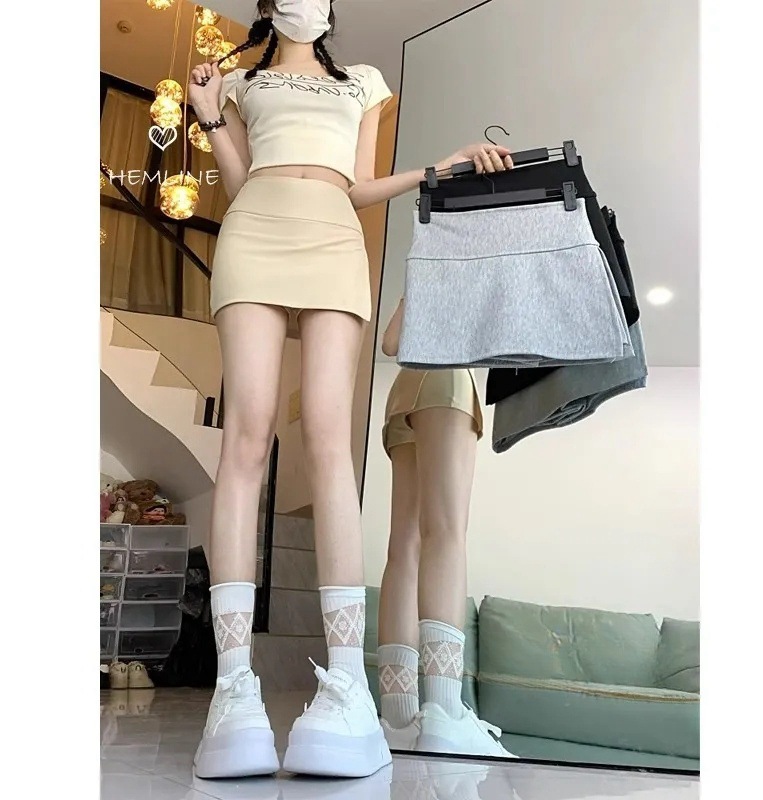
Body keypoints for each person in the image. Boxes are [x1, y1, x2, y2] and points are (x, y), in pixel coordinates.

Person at [187, 0, 513, 781]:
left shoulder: (363, 81)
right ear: (269, 6)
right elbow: (241, 181)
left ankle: (347, 688)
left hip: (334, 239)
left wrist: (442, 168)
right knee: (246, 440)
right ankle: (233, 691)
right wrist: (209, 117)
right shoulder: (240, 82)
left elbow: (360, 186)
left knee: (331, 442)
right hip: (255, 229)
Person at [377, 300, 516, 757]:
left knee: (404, 549)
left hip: (404, 392)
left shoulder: (424, 271)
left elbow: (391, 343)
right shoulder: (474, 271)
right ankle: (443, 712)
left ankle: (398, 717)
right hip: (450, 383)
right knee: (447, 533)